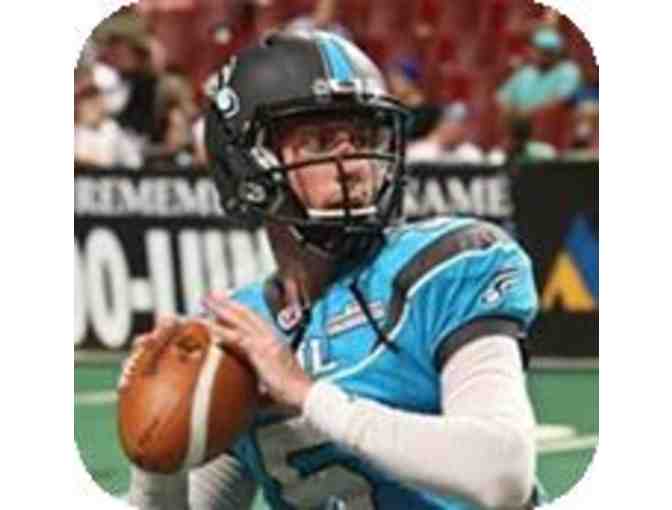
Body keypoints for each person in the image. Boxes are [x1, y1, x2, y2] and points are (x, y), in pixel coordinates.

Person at [128, 31, 540, 510]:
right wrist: (154, 454)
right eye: (320, 142)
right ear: (248, 166)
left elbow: (503, 473)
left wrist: (308, 397)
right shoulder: (241, 332)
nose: (355, 163)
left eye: (364, 139)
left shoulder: (447, 264)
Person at [496, 27, 582, 116]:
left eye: (548, 52)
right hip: (519, 119)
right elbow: (503, 97)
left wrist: (530, 113)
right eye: (539, 51)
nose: (542, 56)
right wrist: (511, 111)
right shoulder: (526, 72)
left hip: (549, 119)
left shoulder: (568, 70)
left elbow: (562, 99)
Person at [407, 102, 485, 165]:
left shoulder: (471, 152)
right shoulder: (419, 152)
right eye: (451, 124)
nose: (456, 130)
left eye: (462, 124)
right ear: (441, 125)